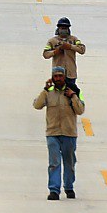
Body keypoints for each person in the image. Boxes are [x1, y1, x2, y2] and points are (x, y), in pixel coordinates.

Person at [34, 68, 85, 200]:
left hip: (69, 133)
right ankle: (54, 190)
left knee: (69, 162)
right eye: (55, 76)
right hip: (53, 133)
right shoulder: (48, 93)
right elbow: (37, 105)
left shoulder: (75, 90)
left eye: (60, 76)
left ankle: (69, 187)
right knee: (54, 162)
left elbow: (80, 110)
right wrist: (45, 90)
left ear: (64, 78)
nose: (58, 79)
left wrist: (73, 96)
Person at [43, 17, 87, 94]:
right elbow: (45, 54)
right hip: (58, 74)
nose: (63, 30)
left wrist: (70, 47)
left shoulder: (73, 39)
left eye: (65, 28)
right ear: (58, 29)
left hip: (71, 74)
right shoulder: (52, 41)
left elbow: (82, 50)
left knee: (72, 94)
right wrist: (56, 51)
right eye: (62, 28)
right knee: (57, 94)